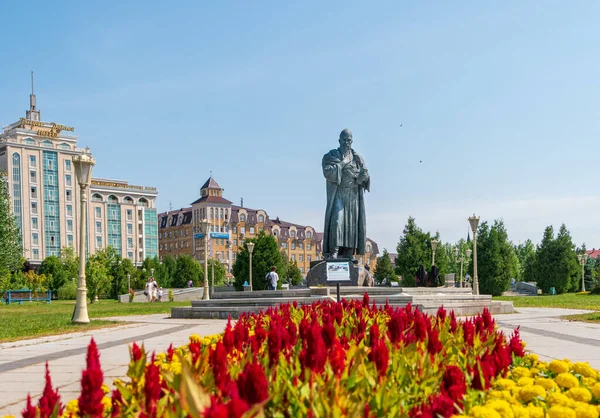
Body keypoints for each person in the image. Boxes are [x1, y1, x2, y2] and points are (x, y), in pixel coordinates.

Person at [322, 129, 370, 261]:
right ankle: (334, 252)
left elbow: (363, 178)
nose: (346, 142)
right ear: (339, 140)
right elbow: (328, 172)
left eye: (349, 140)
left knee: (351, 225)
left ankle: (349, 253)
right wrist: (343, 163)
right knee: (337, 221)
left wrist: (364, 175)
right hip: (339, 193)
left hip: (353, 195)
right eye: (344, 140)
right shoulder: (331, 155)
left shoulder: (357, 158)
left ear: (352, 141)